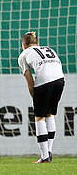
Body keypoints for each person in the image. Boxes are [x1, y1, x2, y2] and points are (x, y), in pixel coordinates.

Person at [18, 32, 65, 163]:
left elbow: (29, 80)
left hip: (45, 82)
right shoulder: (49, 49)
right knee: (49, 114)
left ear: (24, 45)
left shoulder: (24, 55)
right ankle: (49, 152)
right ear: (37, 43)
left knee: (39, 116)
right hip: (60, 80)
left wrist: (35, 98)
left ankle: (44, 157)